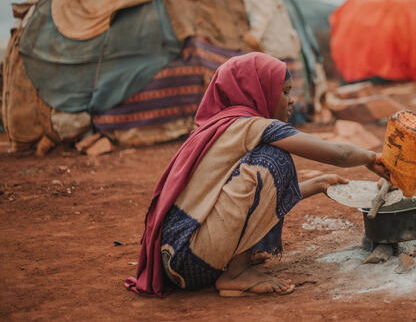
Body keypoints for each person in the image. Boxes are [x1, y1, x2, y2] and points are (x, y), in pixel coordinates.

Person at [125, 52, 389, 297]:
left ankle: (235, 258)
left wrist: (318, 184)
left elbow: (252, 196)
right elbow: (338, 155)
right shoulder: (252, 126)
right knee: (274, 160)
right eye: (284, 92)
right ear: (257, 91)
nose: (291, 100)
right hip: (191, 259)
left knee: (269, 163)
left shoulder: (224, 125)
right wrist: (371, 158)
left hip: (178, 254)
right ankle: (236, 273)